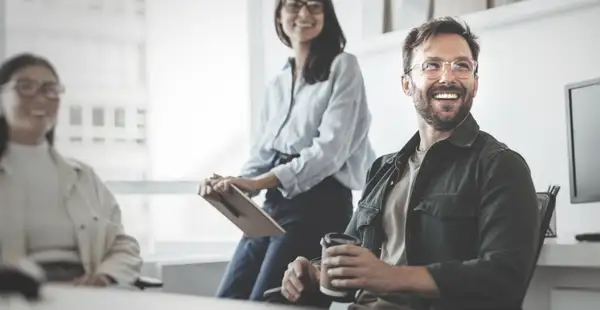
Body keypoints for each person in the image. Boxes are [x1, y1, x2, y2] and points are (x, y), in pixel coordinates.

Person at [279, 17, 540, 310]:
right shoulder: (382, 168)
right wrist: (314, 272)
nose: (448, 77)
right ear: (406, 83)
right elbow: (351, 254)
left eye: (462, 66)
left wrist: (391, 277)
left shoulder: (502, 166)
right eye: (432, 65)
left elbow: (505, 280)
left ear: (475, 84)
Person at [199, 0, 376, 302]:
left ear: (326, 15)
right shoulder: (278, 83)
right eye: (295, 5)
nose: (304, 14)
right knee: (229, 298)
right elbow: (262, 153)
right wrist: (230, 186)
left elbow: (328, 153)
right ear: (279, 15)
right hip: (273, 204)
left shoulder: (344, 66)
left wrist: (257, 183)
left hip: (320, 205)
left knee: (269, 302)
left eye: (315, 6)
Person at [0, 53, 142, 286]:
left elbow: (123, 246)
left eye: (50, 89)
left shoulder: (83, 176)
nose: (40, 98)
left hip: (86, 294)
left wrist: (104, 278)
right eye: (25, 87)